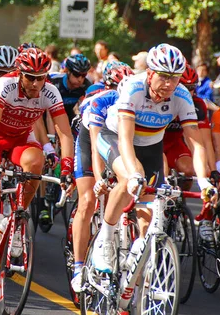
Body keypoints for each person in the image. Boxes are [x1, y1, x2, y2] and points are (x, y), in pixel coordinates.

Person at [0, 47, 75, 297]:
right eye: (30, 77)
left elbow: (65, 133)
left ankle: (18, 217)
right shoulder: (5, 85)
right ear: (20, 73)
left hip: (20, 138)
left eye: (41, 77)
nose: (35, 83)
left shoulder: (50, 91)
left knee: (35, 163)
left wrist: (67, 168)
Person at [91, 43, 213, 273]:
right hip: (116, 138)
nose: (168, 84)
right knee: (129, 180)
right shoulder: (133, 88)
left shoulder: (182, 95)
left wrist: (204, 180)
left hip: (151, 146)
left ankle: (136, 265)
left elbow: (195, 143)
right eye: (163, 76)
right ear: (149, 73)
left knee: (148, 216)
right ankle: (105, 239)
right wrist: (135, 175)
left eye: (174, 78)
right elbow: (125, 140)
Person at [70, 62, 133, 293]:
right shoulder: (101, 102)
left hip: (117, 141)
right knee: (87, 201)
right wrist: (99, 180)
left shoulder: (135, 104)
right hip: (91, 142)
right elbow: (97, 147)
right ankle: (78, 267)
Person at [162, 64, 216, 185]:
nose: (187, 92)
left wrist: (213, 170)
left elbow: (205, 141)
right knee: (162, 170)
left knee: (190, 169)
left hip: (174, 143)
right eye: (184, 87)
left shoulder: (198, 104)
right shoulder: (162, 99)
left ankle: (180, 200)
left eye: (191, 87)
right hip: (155, 142)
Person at [49, 54, 92, 121]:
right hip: (48, 115)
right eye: (76, 74)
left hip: (67, 115)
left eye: (84, 75)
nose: (80, 79)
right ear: (68, 71)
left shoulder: (86, 85)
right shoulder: (53, 81)